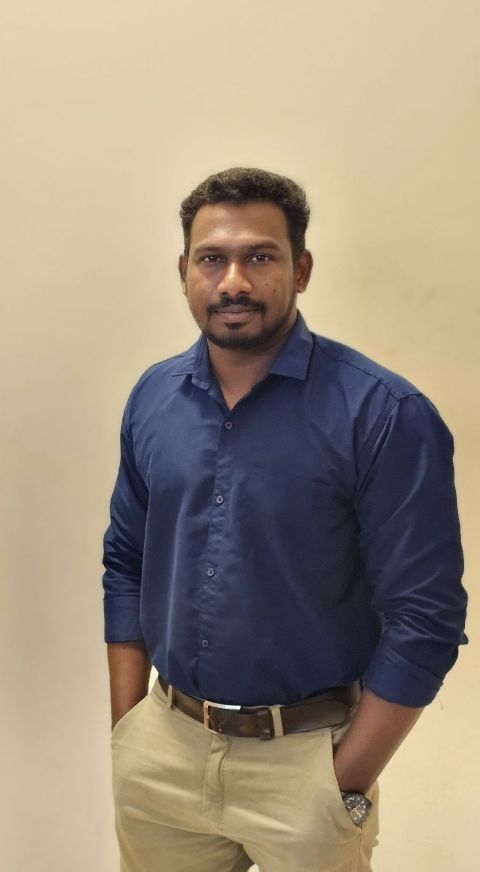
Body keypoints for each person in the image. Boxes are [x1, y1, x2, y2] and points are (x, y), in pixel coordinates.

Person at [102, 167, 467, 872]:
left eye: (260, 257)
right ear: (184, 272)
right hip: (162, 759)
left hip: (308, 767)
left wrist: (342, 781)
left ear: (301, 269)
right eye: (212, 258)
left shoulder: (384, 415)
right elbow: (125, 558)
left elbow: (426, 618)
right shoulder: (152, 399)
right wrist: (128, 731)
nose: (233, 281)